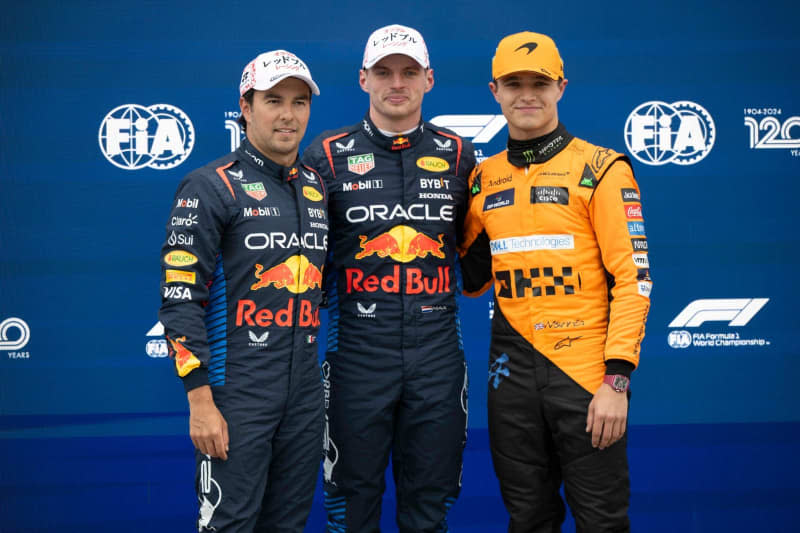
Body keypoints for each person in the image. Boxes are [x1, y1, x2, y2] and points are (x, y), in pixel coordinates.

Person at [459, 31, 651, 532]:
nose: (527, 94)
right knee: (527, 519)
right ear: (493, 91)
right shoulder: (483, 179)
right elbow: (471, 276)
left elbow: (633, 279)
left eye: (539, 83)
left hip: (587, 378)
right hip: (511, 376)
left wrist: (617, 381)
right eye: (513, 82)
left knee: (602, 521)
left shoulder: (601, 168)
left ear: (561, 87)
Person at [302, 24, 475, 532]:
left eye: (408, 71)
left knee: (430, 504)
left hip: (438, 354)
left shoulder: (461, 156)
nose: (395, 83)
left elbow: (479, 252)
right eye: (383, 72)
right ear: (363, 79)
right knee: (350, 507)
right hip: (356, 352)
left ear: (429, 79)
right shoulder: (326, 155)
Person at [158, 50, 327, 532]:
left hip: (304, 392)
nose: (288, 114)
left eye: (299, 102)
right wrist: (200, 400)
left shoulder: (316, 186)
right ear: (246, 107)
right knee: (228, 524)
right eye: (273, 100)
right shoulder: (210, 187)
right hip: (237, 392)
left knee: (288, 525)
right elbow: (180, 298)